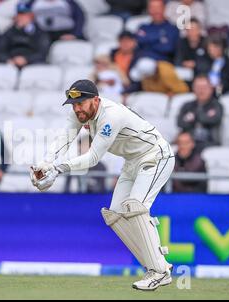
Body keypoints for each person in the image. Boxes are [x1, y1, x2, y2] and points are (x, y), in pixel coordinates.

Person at [30, 79, 175, 291]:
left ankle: (160, 272)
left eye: (81, 104)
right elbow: (65, 138)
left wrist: (58, 169)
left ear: (95, 100)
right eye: (74, 105)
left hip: (156, 157)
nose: (77, 109)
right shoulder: (79, 113)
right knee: (115, 214)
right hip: (132, 162)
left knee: (135, 207)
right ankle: (155, 266)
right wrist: (46, 163)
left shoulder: (111, 115)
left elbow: (93, 158)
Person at [0, 1, 51, 68]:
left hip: (33, 65)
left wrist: (27, 59)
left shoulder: (40, 32)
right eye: (19, 15)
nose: (20, 17)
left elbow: (43, 53)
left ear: (31, 15)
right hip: (12, 65)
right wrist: (8, 60)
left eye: (24, 15)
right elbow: (0, 51)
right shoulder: (9, 32)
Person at [177, 75, 223, 150]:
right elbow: (180, 123)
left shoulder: (217, 106)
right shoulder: (187, 105)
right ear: (193, 89)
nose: (201, 90)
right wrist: (203, 116)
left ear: (211, 88)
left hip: (209, 142)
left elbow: (214, 119)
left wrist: (193, 117)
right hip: (188, 143)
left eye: (204, 87)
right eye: (198, 87)